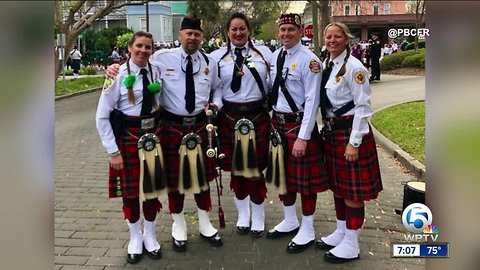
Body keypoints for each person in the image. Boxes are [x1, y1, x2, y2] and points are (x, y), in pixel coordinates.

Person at [106, 16, 224, 253]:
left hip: (200, 126)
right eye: (188, 33)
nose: (192, 37)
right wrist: (114, 69)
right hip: (170, 127)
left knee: (202, 178)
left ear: (201, 37)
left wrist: (216, 105)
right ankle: (178, 224)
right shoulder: (160, 58)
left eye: (196, 34)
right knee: (173, 180)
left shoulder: (211, 63)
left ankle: (205, 223)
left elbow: (217, 90)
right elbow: (139, 66)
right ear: (180, 36)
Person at [316, 22, 383, 263]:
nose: (332, 40)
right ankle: (342, 232)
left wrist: (354, 142)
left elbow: (363, 107)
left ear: (346, 39)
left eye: (337, 37)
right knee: (339, 187)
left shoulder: (355, 67)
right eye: (328, 36)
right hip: (333, 134)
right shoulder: (329, 65)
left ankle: (352, 243)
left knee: (352, 192)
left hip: (350, 135)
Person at [95, 31, 163, 264]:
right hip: (128, 137)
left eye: (148, 47)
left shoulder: (157, 70)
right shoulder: (116, 75)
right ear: (130, 48)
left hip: (153, 137)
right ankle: (135, 237)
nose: (143, 50)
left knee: (152, 190)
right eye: (139, 46)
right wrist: (112, 151)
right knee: (131, 194)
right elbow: (102, 116)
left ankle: (150, 235)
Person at [265, 13, 329, 253]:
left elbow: (313, 101)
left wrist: (304, 136)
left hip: (298, 125)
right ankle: (290, 219)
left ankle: (308, 227)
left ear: (301, 32)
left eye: (291, 29)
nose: (286, 34)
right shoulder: (276, 55)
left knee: (305, 182)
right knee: (284, 176)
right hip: (278, 124)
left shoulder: (310, 61)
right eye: (282, 30)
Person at [209, 12, 272, 238]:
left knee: (255, 170)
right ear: (228, 32)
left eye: (242, 29)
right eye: (234, 29)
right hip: (229, 117)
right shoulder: (215, 57)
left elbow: (274, 84)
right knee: (236, 169)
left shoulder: (264, 54)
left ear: (248, 30)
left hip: (257, 116)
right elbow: (213, 87)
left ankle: (259, 214)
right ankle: (243, 215)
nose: (238, 33)